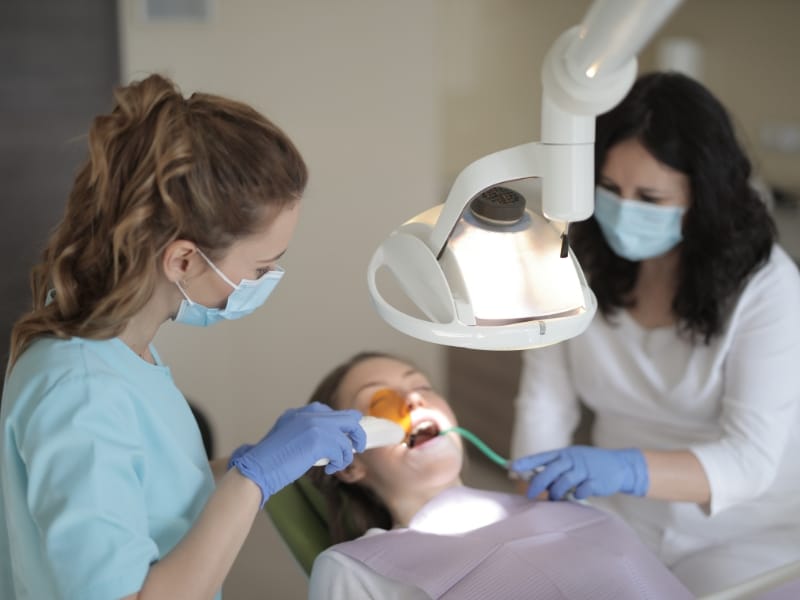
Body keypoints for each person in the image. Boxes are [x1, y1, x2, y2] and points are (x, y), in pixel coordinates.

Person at [0, 74, 367, 600]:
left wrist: (266, 463)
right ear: (184, 259)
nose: (265, 282)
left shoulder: (117, 347)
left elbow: (144, 491)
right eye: (262, 267)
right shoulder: (80, 388)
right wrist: (253, 478)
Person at [510, 71, 800, 596]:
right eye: (611, 190)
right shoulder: (572, 262)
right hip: (622, 512)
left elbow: (750, 461)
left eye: (650, 196)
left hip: (750, 526)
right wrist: (534, 497)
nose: (625, 211)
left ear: (704, 198)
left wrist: (625, 469)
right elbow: (545, 404)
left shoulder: (768, 289)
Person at [305, 351, 694, 599]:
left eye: (421, 386)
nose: (414, 400)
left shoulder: (567, 506)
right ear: (351, 463)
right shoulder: (354, 569)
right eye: (380, 400)